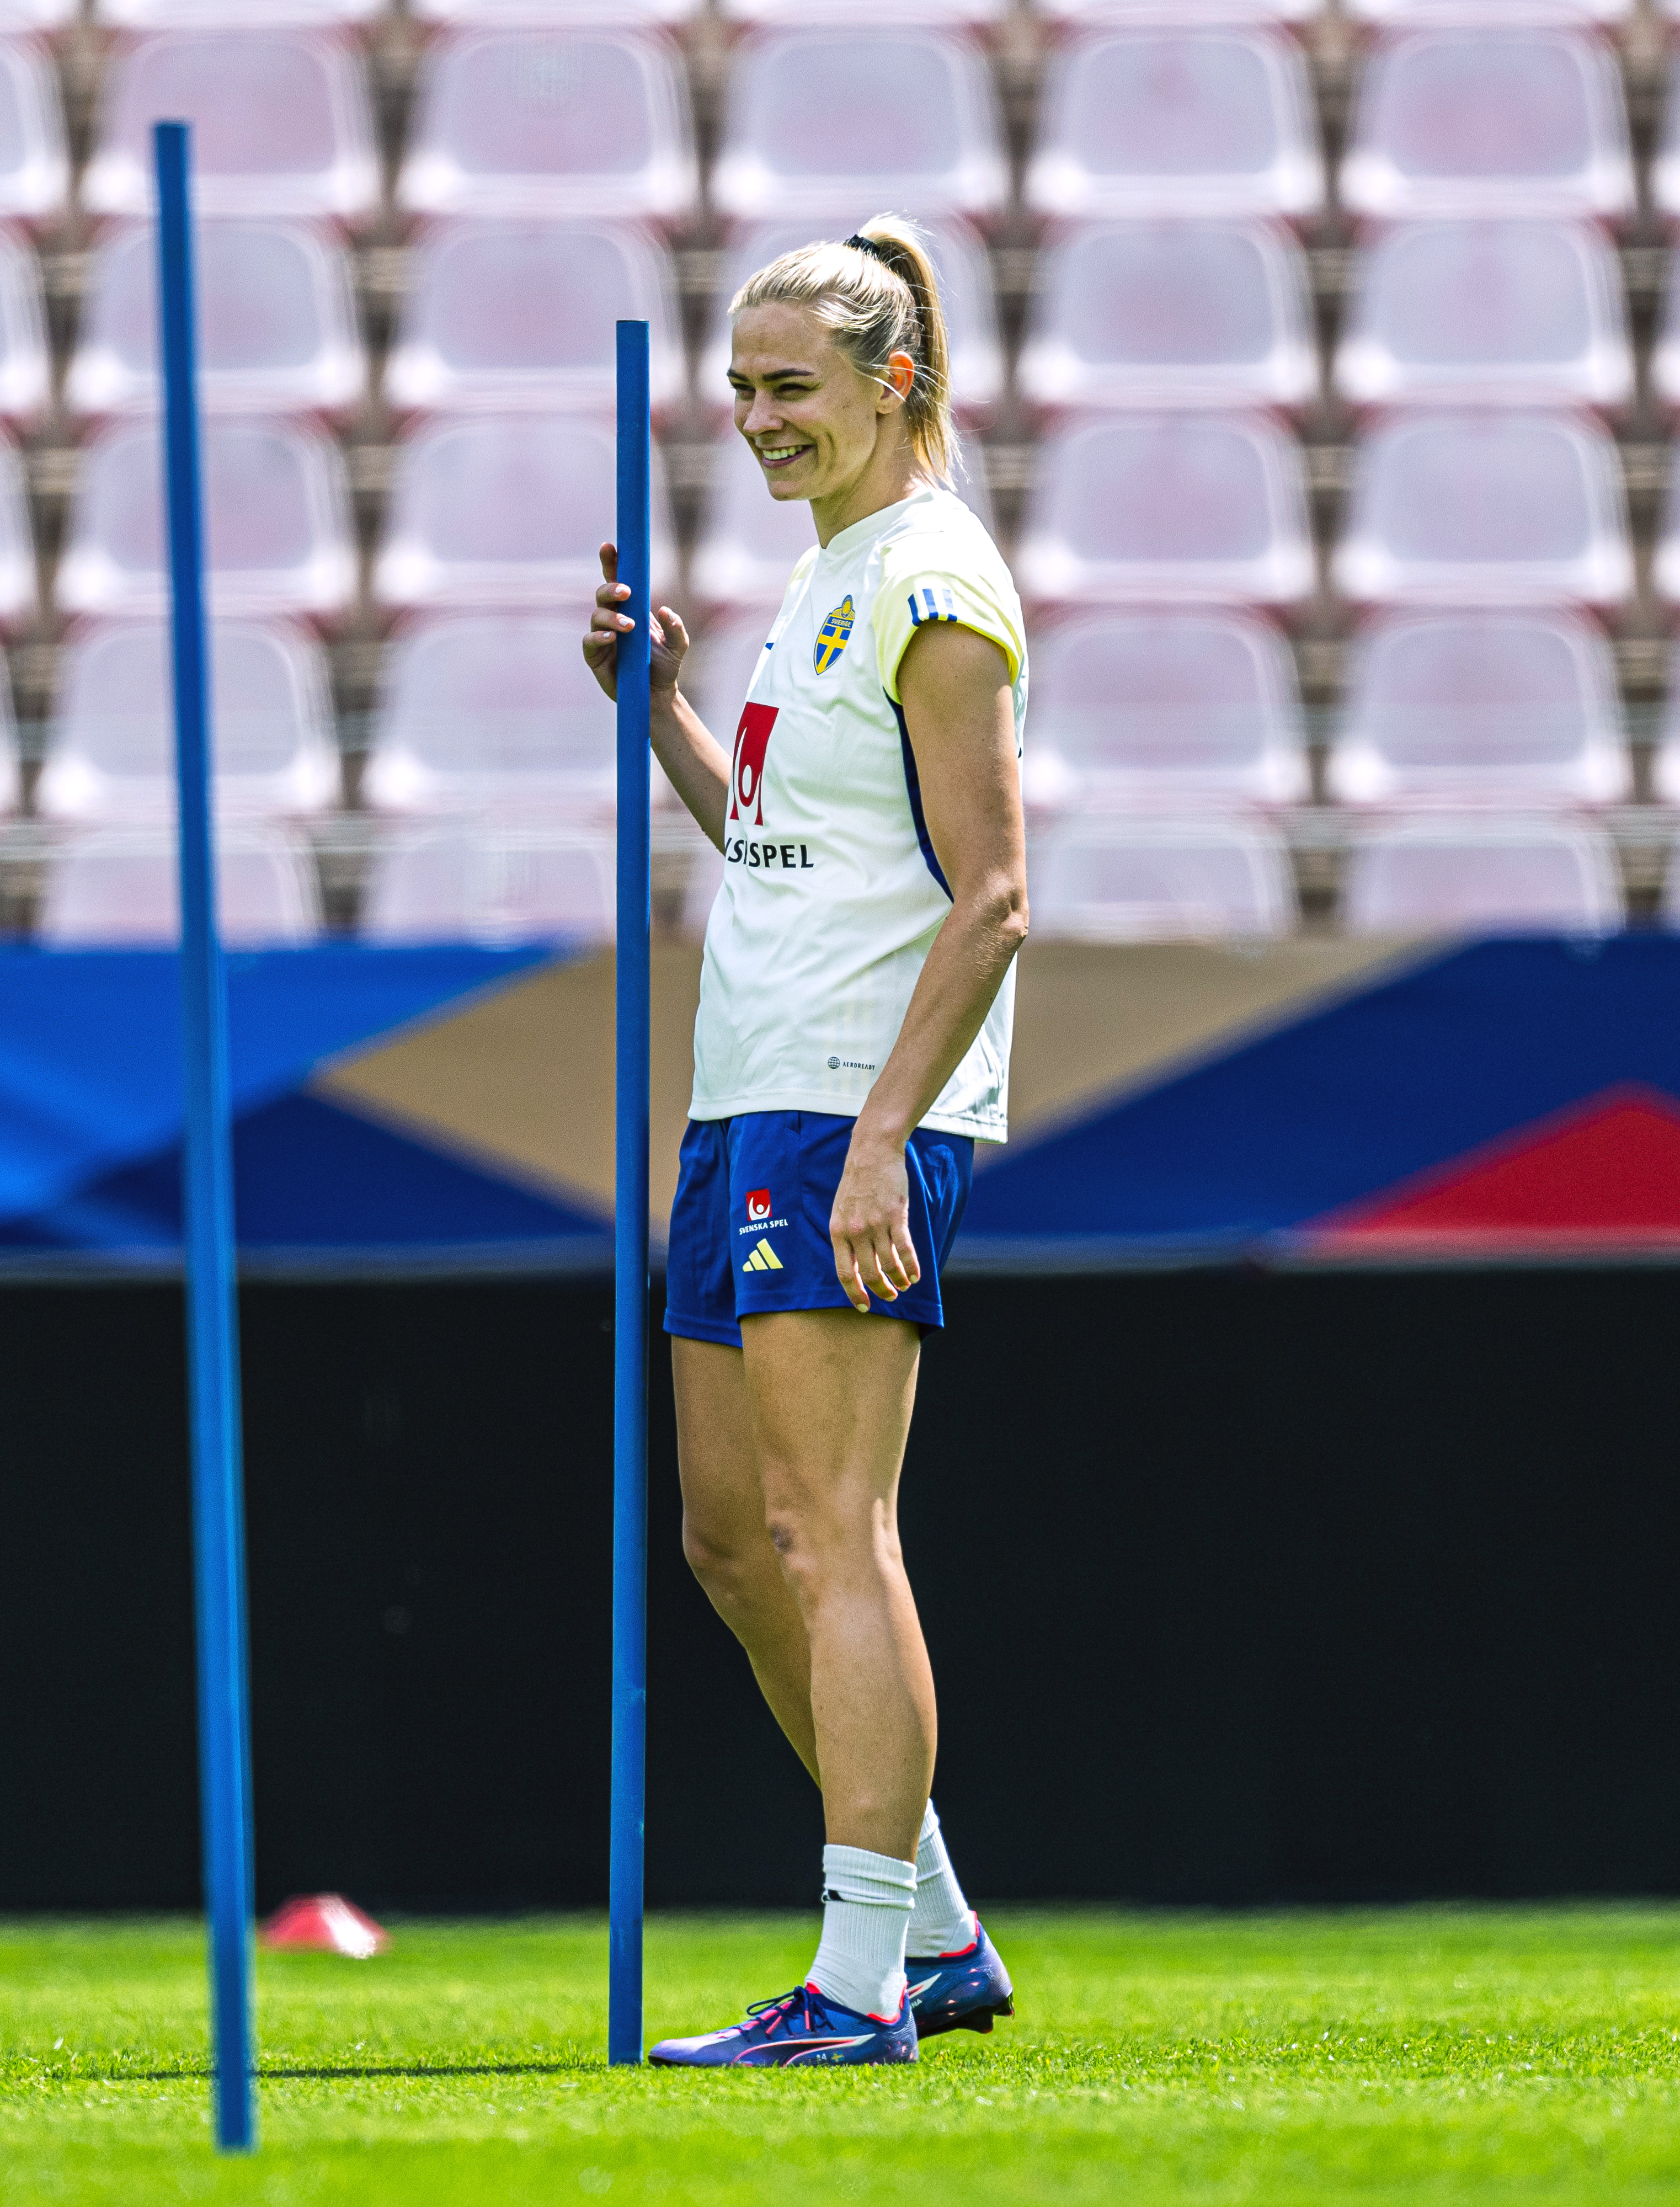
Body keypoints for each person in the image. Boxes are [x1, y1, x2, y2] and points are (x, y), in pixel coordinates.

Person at [584, 213, 1029, 2069]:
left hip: (844, 1100)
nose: (760, 419)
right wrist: (664, 713)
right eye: (743, 389)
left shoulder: (935, 582)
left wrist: (879, 1144)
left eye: (794, 387)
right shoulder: (828, 570)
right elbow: (777, 842)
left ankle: (858, 1987)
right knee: (728, 1543)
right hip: (742, 1081)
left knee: (832, 1528)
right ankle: (932, 1934)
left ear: (891, 379)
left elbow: (994, 896)